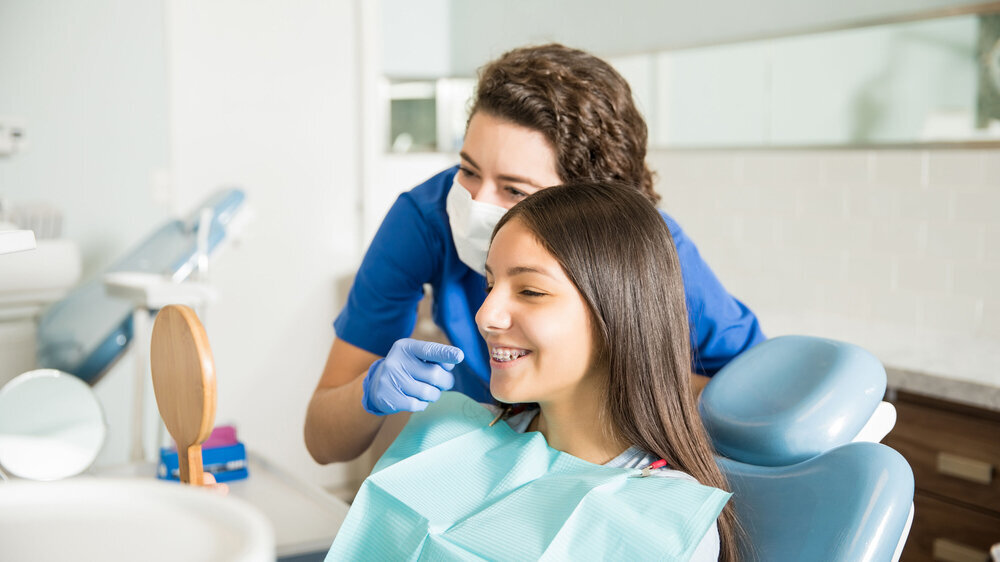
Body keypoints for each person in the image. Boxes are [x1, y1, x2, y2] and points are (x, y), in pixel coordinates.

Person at [305, 43, 764, 465]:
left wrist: (626, 377)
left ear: (593, 213)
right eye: (467, 169)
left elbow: (762, 410)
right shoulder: (427, 219)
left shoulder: (650, 254)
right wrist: (371, 392)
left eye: (514, 189)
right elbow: (324, 441)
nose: (475, 203)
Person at [327, 181, 738, 561]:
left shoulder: (666, 521)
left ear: (617, 314)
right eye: (489, 286)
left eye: (530, 291)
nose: (485, 315)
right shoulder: (450, 435)